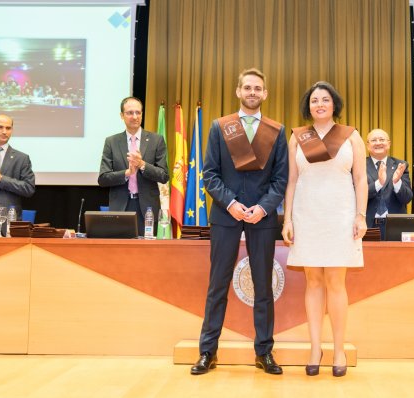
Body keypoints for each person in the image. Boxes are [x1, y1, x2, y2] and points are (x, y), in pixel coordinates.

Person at [191, 68, 288, 375]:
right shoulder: (220, 127)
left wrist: (263, 208)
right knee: (217, 284)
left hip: (263, 218)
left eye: (257, 88)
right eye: (247, 87)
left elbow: (281, 179)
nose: (252, 92)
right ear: (238, 91)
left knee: (264, 287)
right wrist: (231, 203)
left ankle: (264, 352)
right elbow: (210, 174)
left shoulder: (276, 131)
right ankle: (208, 352)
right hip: (225, 215)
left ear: (265, 93)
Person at [282, 81, 367, 377]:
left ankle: (339, 349)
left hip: (340, 216)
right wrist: (287, 219)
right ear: (308, 106)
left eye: (325, 100)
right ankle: (315, 348)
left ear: (334, 105)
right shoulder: (297, 137)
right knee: (313, 281)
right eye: (314, 100)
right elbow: (291, 180)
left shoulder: (351, 136)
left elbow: (361, 179)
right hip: (307, 215)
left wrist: (360, 215)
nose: (319, 104)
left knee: (335, 282)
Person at [98, 97, 169, 235]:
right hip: (120, 208)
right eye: (130, 113)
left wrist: (142, 164)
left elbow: (164, 176)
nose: (135, 116)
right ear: (122, 115)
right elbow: (103, 178)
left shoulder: (156, 140)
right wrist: (127, 173)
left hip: (147, 210)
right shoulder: (111, 142)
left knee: (146, 248)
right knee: (119, 248)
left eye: (138, 112)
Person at [365, 128, 413, 240]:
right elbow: (356, 195)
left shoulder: (400, 165)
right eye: (374, 140)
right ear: (367, 145)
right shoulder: (359, 165)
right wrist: (379, 183)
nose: (378, 143)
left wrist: (397, 182)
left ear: (389, 144)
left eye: (382, 139)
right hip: (368, 225)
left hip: (395, 226)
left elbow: (406, 198)